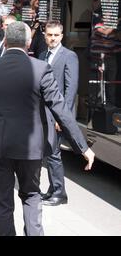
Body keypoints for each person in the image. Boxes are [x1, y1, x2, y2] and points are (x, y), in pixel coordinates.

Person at [0, 21, 95, 236]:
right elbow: (60, 108)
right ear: (28, 43)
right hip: (30, 146)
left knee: (1, 202)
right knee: (31, 195)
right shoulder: (41, 69)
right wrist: (82, 147)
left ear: (5, 42)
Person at [39, 21, 79, 206]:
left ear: (61, 36)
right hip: (42, 114)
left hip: (57, 114)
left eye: (56, 35)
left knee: (54, 154)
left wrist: (63, 118)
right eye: (49, 35)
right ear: (45, 35)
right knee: (48, 152)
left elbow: (70, 90)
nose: (52, 38)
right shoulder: (42, 55)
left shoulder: (69, 56)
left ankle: (60, 193)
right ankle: (52, 189)